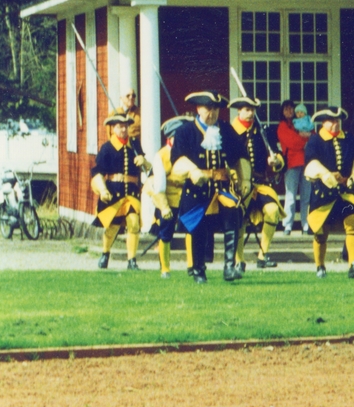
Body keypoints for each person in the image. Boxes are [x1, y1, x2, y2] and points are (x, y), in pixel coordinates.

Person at [170, 91, 250, 283]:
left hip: (221, 187)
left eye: (215, 109)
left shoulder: (225, 130)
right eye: (208, 108)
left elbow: (240, 156)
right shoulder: (185, 132)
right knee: (198, 230)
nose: (212, 113)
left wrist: (244, 178)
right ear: (198, 108)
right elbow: (177, 161)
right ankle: (198, 270)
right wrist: (192, 171)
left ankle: (229, 267)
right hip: (197, 191)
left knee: (233, 215)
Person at [304, 106, 354, 278]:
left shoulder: (348, 139)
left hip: (344, 192)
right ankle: (320, 267)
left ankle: (353, 264)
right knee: (321, 232)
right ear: (323, 122)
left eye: (337, 120)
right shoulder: (315, 141)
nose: (335, 124)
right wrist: (326, 175)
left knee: (353, 222)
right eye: (331, 121)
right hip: (323, 195)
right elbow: (311, 164)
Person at [230, 96, 285, 272]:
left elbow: (278, 156)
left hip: (260, 184)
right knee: (238, 218)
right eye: (246, 109)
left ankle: (263, 256)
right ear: (239, 111)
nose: (250, 113)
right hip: (238, 185)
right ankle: (239, 260)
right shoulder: (230, 132)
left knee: (273, 210)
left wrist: (276, 161)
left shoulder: (263, 131)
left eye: (252, 109)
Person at [91, 112, 149, 270]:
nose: (123, 130)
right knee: (113, 228)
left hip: (131, 193)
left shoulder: (135, 145)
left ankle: (131, 260)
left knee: (134, 223)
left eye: (125, 126)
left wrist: (144, 161)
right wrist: (102, 190)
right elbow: (97, 172)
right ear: (114, 128)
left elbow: (148, 168)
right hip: (114, 193)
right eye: (120, 127)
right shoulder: (107, 148)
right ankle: (105, 253)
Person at [143, 115, 190, 278]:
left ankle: (192, 266)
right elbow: (158, 184)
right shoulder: (162, 155)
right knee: (166, 233)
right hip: (168, 198)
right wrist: (164, 207)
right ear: (171, 137)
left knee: (191, 229)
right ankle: (165, 268)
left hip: (187, 196)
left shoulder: (188, 152)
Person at [277, 100, 310, 236]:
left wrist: (306, 138)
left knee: (306, 196)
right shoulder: (282, 126)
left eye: (291, 109)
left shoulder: (303, 122)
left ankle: (306, 225)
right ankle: (287, 225)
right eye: (286, 109)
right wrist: (304, 140)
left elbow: (313, 136)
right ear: (282, 112)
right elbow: (293, 142)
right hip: (292, 163)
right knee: (290, 196)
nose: (289, 111)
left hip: (307, 163)